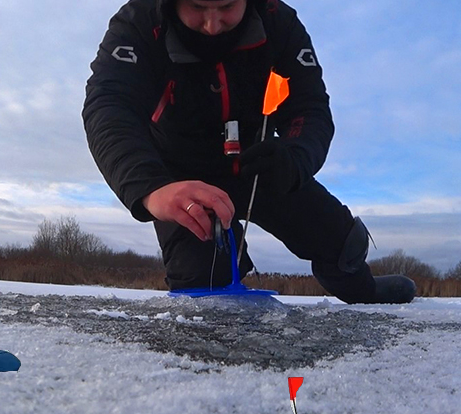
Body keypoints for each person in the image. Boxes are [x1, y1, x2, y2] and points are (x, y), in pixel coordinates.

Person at [83, 0, 415, 303]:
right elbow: (109, 108)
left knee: (341, 242)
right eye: (197, 7)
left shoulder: (278, 23)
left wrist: (295, 156)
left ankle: (362, 290)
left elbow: (309, 107)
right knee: (205, 282)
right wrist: (152, 188)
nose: (212, 24)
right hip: (183, 182)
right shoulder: (138, 23)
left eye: (227, 6)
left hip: (262, 168)